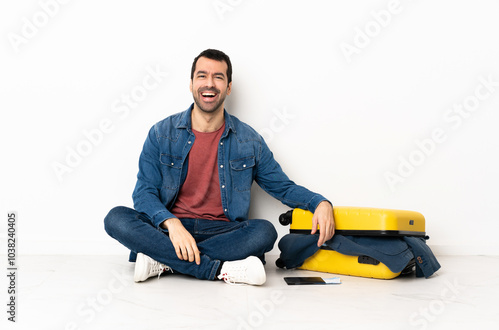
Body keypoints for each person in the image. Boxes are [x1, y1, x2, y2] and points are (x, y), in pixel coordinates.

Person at [104, 49, 334, 285]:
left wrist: (319, 202)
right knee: (116, 218)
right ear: (192, 83)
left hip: (223, 233)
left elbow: (282, 187)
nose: (209, 84)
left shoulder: (249, 140)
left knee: (265, 232)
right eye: (202, 76)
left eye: (218, 77)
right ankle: (216, 270)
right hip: (170, 230)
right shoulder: (161, 133)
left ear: (228, 87)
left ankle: (164, 261)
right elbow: (143, 194)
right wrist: (172, 224)